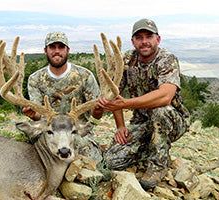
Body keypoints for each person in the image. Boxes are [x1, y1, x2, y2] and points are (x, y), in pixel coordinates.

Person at [98, 18, 190, 190]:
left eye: (149, 36)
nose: (144, 41)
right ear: (133, 41)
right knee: (111, 160)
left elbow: (165, 96)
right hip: (142, 123)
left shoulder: (167, 59)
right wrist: (120, 126)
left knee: (160, 111)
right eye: (139, 37)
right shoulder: (126, 59)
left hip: (171, 121)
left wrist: (125, 104)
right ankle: (149, 149)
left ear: (158, 39)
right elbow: (113, 93)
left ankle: (158, 165)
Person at [23, 31, 104, 163]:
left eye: (61, 47)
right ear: (45, 50)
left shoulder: (84, 75)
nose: (57, 51)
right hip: (50, 131)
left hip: (76, 131)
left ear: (68, 50)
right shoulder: (35, 79)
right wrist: (34, 115)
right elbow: (39, 115)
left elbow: (96, 115)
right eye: (52, 47)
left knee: (92, 157)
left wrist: (99, 110)